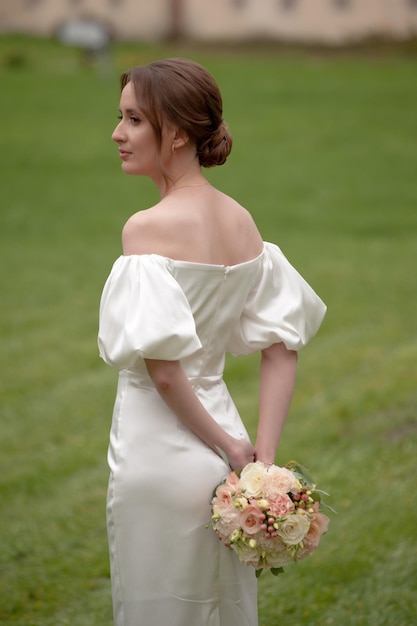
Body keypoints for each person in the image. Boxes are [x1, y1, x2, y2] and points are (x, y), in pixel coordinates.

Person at [98, 58, 326, 626]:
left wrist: (228, 446)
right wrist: (259, 460)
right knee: (222, 609)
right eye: (119, 117)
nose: (117, 134)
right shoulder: (243, 222)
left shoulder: (146, 228)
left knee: (157, 606)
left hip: (160, 449)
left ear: (176, 132)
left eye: (133, 120)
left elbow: (166, 372)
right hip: (228, 450)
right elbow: (281, 347)